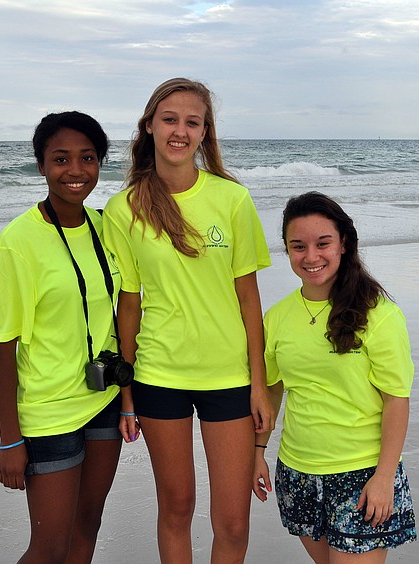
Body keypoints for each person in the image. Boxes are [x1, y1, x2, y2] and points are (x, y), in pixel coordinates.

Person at [103, 77, 274, 563]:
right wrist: (128, 393)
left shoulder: (232, 200)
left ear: (205, 133)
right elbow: (129, 306)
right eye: (170, 119)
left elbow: (248, 299)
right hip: (160, 376)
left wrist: (258, 385)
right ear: (150, 127)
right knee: (176, 506)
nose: (180, 131)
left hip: (228, 376)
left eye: (191, 122)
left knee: (233, 522)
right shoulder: (123, 209)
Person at [0, 111, 131, 563]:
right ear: (41, 166)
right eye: (61, 159)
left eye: (87, 158)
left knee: (87, 527)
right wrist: (9, 439)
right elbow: (2, 348)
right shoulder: (18, 242)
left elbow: (132, 302)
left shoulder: (106, 226)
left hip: (103, 399)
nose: (75, 170)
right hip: (49, 414)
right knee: (48, 548)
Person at [253, 192, 417, 563]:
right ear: (287, 250)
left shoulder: (380, 315)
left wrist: (384, 477)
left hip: (360, 474)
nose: (311, 257)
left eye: (323, 243)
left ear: (344, 243)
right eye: (298, 246)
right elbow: (274, 389)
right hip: (297, 472)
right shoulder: (277, 317)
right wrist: (258, 450)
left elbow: (397, 399)